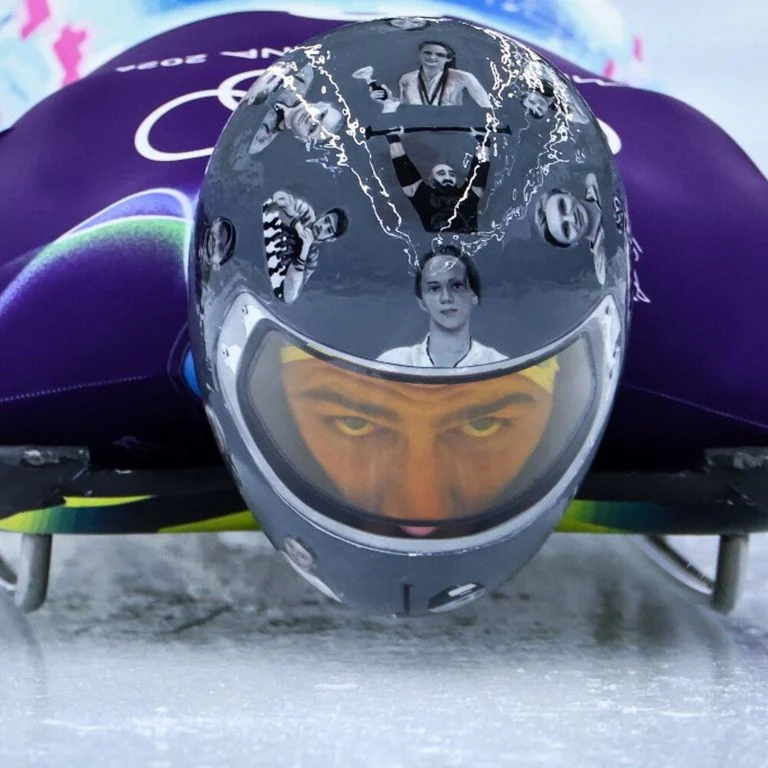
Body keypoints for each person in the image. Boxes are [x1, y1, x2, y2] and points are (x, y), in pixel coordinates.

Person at [377, 244, 505, 367]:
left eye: (456, 286)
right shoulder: (393, 364)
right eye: (434, 288)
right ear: (422, 302)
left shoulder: (499, 366)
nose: (446, 298)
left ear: (474, 295)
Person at [385, 128, 490, 232]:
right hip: (435, 241)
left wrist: (484, 142)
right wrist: (394, 141)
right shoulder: (422, 194)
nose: (448, 177)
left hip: (466, 241)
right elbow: (403, 168)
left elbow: (480, 172)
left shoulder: (467, 194)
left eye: (451, 174)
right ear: (431, 179)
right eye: (441, 174)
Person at [262, 190, 349, 303]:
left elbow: (289, 296)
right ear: (323, 215)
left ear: (331, 239)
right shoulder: (306, 213)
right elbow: (277, 197)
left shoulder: (311, 259)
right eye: (326, 220)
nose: (321, 227)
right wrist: (296, 224)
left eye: (328, 230)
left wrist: (304, 250)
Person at [247, 63, 343, 155]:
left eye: (312, 129)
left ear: (301, 138)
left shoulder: (259, 140)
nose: (311, 119)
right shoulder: (304, 74)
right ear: (321, 104)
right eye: (321, 115)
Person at [369, 40, 491, 111]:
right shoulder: (407, 79)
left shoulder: (464, 77)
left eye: (439, 55)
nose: (432, 57)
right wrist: (386, 100)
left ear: (448, 59)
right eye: (427, 52)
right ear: (420, 55)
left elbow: (486, 107)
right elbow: (404, 108)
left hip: (453, 130)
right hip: (416, 129)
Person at [534, 172, 607, 284]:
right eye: (566, 230)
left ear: (567, 193)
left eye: (563, 206)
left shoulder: (596, 178)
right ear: (572, 244)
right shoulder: (603, 269)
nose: (572, 218)